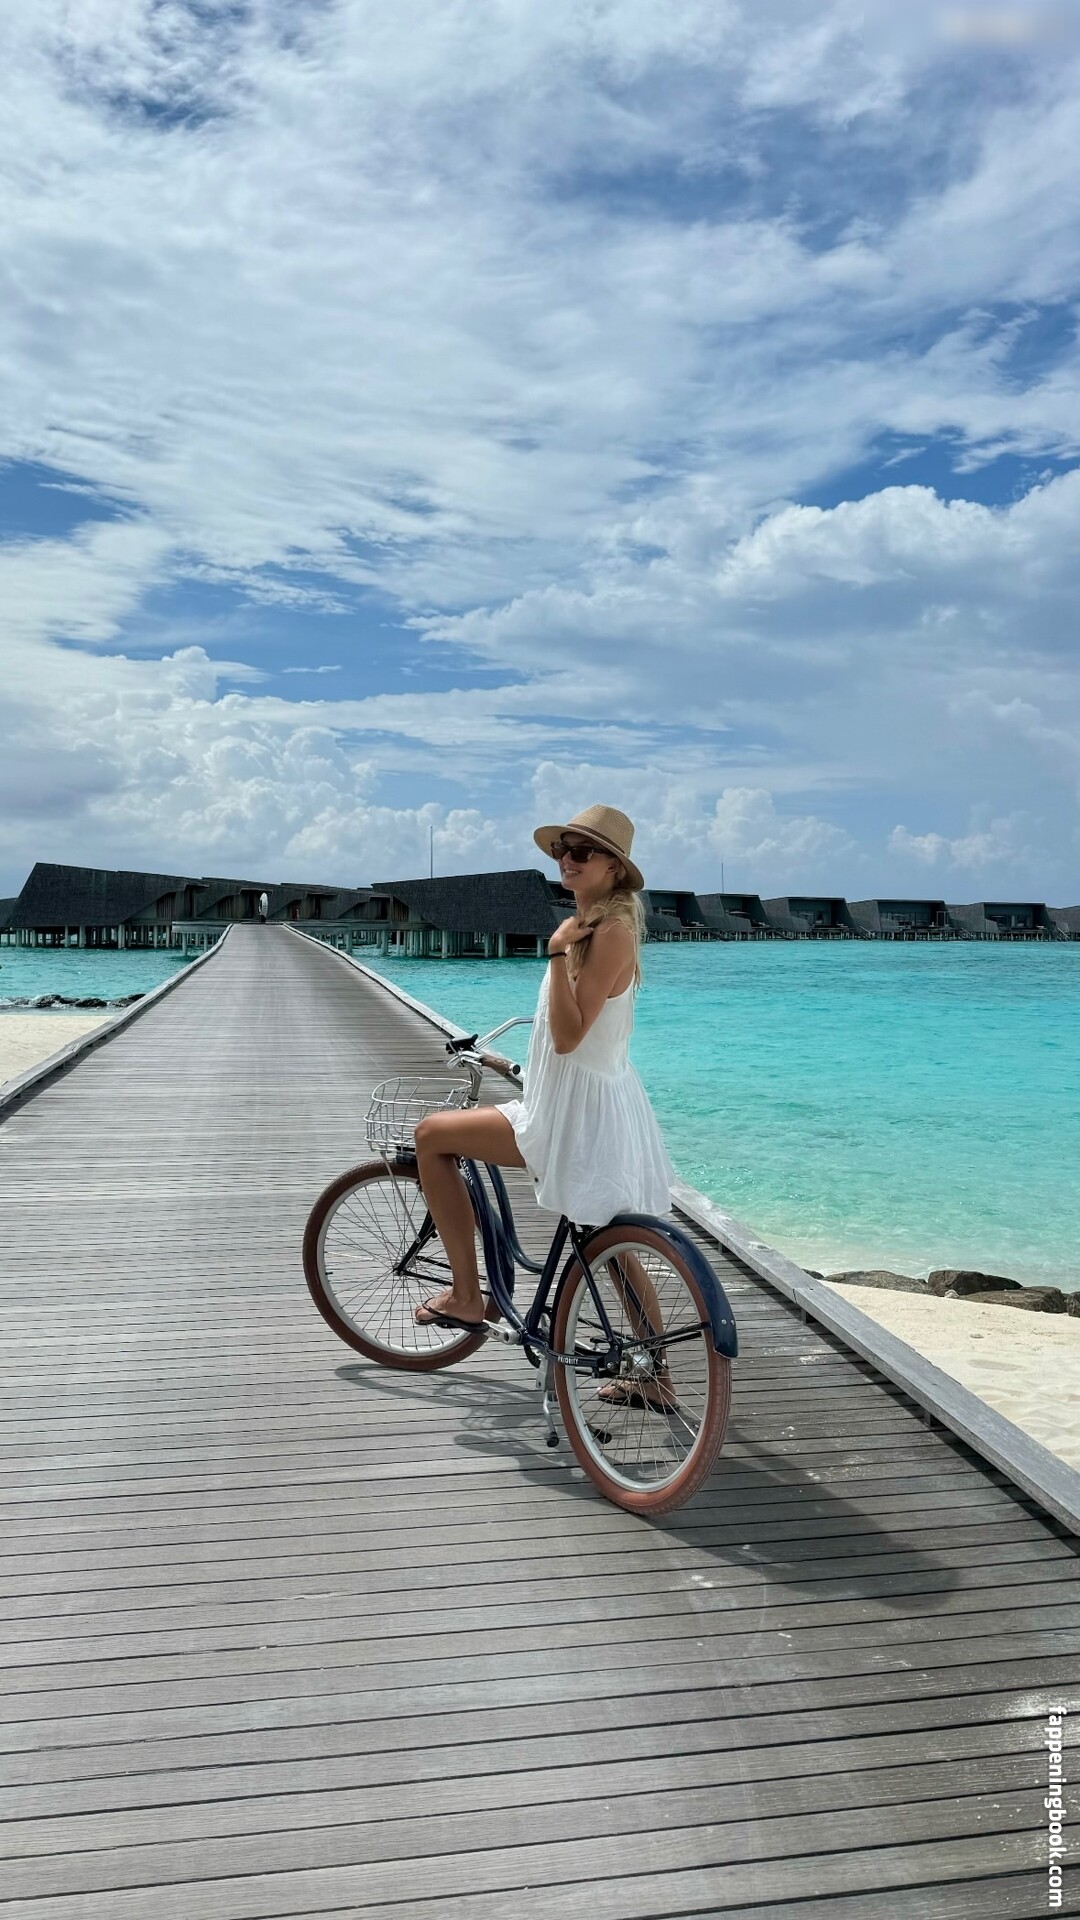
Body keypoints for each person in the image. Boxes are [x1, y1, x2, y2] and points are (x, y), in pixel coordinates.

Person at [413, 805, 675, 1402]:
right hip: (573, 1105)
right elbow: (572, 1040)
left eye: (581, 851)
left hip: (573, 1118)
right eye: (562, 849)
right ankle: (657, 1376)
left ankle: (467, 1295)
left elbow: (568, 1036)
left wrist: (556, 953)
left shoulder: (606, 933)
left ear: (614, 867)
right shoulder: (592, 925)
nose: (566, 859)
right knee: (608, 1244)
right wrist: (514, 1066)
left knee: (432, 1136)